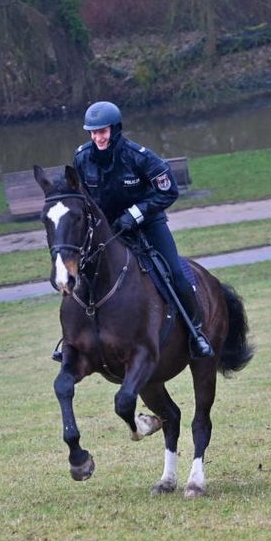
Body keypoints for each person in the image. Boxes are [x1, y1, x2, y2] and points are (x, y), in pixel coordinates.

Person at [53, 101, 214, 361]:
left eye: (102, 131)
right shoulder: (82, 157)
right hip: (106, 230)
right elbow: (80, 196)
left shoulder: (140, 157)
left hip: (147, 224)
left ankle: (196, 332)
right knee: (78, 274)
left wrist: (135, 214)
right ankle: (71, 342)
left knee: (174, 271)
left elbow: (168, 190)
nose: (98, 137)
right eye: (93, 132)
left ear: (115, 129)